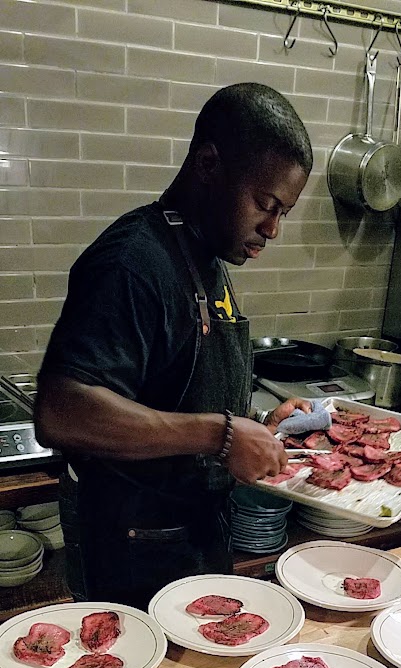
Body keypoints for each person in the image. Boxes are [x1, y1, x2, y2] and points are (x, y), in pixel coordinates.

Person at [35, 83, 313, 610]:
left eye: (284, 212)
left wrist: (259, 423)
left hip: (197, 533)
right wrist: (223, 434)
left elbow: (175, 387)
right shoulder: (132, 262)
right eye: (265, 204)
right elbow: (62, 411)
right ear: (209, 164)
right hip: (134, 548)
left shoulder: (205, 254)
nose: (273, 230)